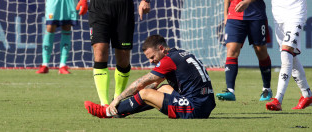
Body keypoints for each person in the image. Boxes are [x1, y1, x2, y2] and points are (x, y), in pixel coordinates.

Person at [84, 34, 216, 119]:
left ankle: (107, 112)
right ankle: (120, 112)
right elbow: (154, 84)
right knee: (162, 88)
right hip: (205, 103)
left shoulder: (168, 61)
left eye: (152, 57)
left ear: (161, 49)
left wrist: (117, 99)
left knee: (145, 93)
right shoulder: (180, 53)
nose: (151, 61)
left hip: (195, 108)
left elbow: (141, 83)